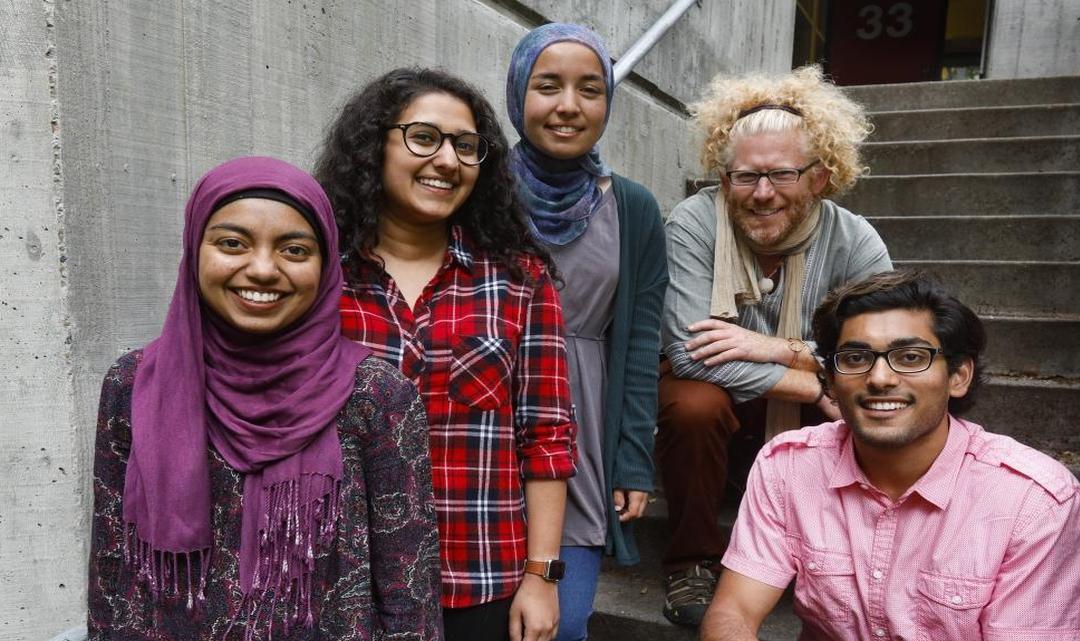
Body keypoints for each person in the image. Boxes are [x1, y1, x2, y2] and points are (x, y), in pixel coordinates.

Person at [86, 156, 442, 641]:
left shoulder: (376, 395)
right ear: (194, 249)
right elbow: (110, 567)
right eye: (232, 243)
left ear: (325, 264)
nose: (261, 269)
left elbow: (409, 588)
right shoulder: (134, 385)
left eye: (294, 250)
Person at [703, 269, 1080, 640]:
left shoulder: (1034, 503)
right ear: (830, 380)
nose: (879, 378)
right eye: (856, 358)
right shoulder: (788, 465)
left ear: (959, 376)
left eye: (910, 357)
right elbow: (732, 612)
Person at [319, 68, 576, 641]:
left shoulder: (519, 280)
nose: (447, 160)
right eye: (423, 137)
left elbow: (547, 435)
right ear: (373, 147)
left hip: (482, 579)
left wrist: (542, 576)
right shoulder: (321, 277)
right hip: (344, 580)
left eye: (466, 146)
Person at [655, 66, 892, 627]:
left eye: (782, 175)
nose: (762, 194)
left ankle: (838, 558)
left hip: (806, 401)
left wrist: (774, 347)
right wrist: (815, 377)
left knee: (869, 399)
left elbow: (879, 349)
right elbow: (690, 352)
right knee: (692, 401)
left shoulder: (854, 239)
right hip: (731, 398)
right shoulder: (695, 221)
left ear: (820, 175)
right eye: (745, 177)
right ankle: (692, 561)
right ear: (724, 175)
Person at [503, 23, 669, 641]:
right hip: (480, 419)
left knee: (561, 625)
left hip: (582, 427)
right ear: (518, 92)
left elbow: (641, 341)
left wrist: (632, 461)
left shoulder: (634, 207)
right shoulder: (474, 189)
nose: (569, 105)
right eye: (548, 86)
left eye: (590, 89)